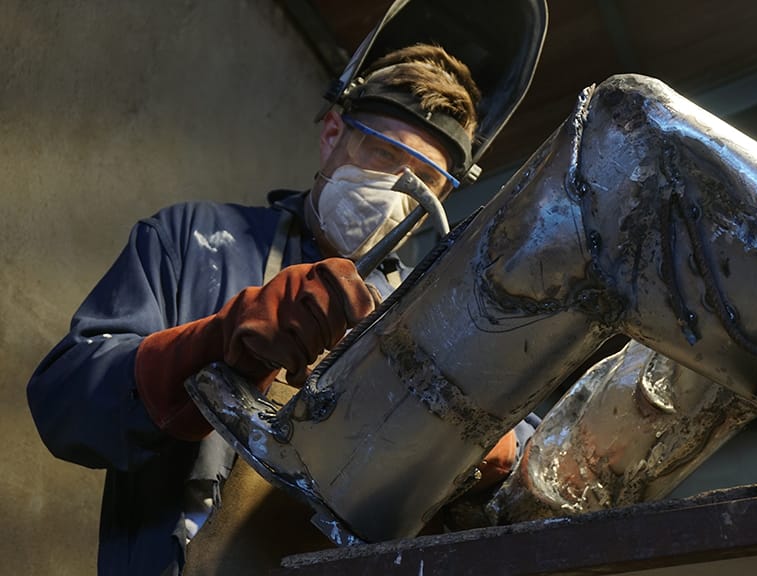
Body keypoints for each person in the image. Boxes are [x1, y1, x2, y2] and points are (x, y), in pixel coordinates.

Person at [26, 43, 524, 575]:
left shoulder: (434, 316)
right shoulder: (193, 242)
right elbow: (65, 404)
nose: (399, 192)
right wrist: (215, 344)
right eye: (384, 154)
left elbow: (526, 489)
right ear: (332, 134)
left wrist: (493, 448)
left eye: (426, 181)